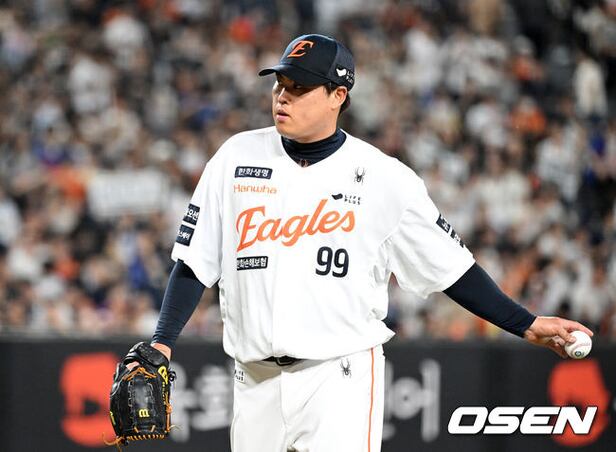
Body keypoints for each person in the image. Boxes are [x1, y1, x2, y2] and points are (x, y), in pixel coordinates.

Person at [143, 34, 593, 452]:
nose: (282, 96)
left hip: (338, 378)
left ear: (338, 95)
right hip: (253, 379)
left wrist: (525, 323)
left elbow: (453, 269)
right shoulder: (235, 158)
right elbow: (194, 262)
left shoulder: (384, 178)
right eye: (280, 83)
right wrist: (162, 341)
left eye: (300, 87)